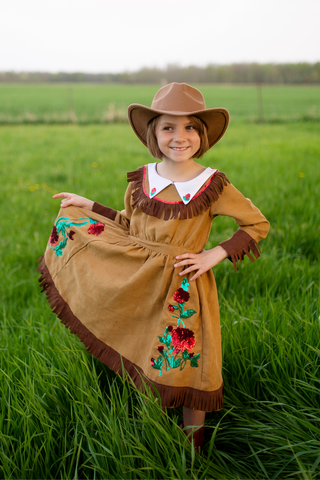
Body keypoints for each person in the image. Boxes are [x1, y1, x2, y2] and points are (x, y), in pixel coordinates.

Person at [38, 82, 270, 450]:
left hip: (183, 286)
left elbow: (257, 224)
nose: (180, 137)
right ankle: (152, 421)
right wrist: (90, 205)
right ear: (153, 133)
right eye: (168, 127)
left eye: (190, 127)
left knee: (190, 362)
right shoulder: (142, 180)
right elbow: (129, 226)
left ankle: (192, 445)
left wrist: (213, 254)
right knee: (147, 349)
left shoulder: (213, 184)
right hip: (139, 280)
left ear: (202, 134)